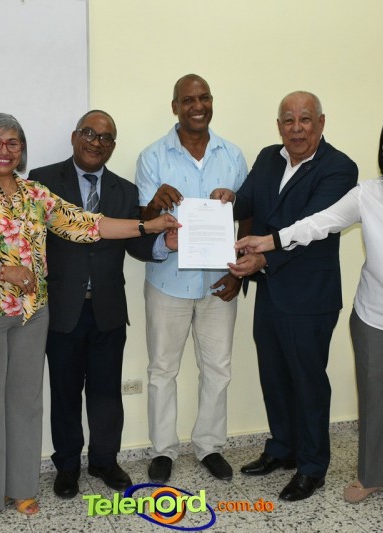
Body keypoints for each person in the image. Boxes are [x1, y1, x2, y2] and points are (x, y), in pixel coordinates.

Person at [0, 113, 177, 523]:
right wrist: (3, 271)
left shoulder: (35, 194)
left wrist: (147, 224)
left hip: (32, 314)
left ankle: (22, 488)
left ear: (22, 150)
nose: (4, 150)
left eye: (13, 143)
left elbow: (89, 225)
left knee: (27, 404)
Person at [236, 116, 383, 513]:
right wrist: (271, 241)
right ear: (382, 153)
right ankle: (371, 476)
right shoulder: (367, 194)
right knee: (375, 401)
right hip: (374, 316)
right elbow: (320, 222)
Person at [28, 110, 176, 498]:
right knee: (64, 392)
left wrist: (164, 244)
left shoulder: (124, 191)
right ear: (74, 136)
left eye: (106, 137)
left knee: (107, 391)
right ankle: (67, 466)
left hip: (108, 308)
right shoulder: (42, 181)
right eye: (89, 133)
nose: (96, 142)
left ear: (113, 146)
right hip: (62, 308)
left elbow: (137, 243)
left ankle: (105, 460)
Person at [228, 91, 358, 502]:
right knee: (274, 375)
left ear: (321, 123)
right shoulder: (269, 157)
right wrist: (226, 200)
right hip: (271, 291)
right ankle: (282, 448)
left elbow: (313, 227)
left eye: (305, 119)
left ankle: (313, 466)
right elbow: (248, 201)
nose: (296, 128)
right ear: (279, 125)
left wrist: (263, 259)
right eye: (288, 120)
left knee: (307, 381)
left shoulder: (339, 168)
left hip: (310, 296)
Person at [136, 74, 247, 483]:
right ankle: (163, 450)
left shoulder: (232, 155)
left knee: (218, 368)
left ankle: (209, 445)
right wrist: (154, 204)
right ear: (175, 107)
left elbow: (247, 216)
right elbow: (142, 223)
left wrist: (239, 274)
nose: (197, 106)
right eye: (188, 100)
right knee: (162, 369)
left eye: (204, 98)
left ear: (211, 102)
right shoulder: (152, 157)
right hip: (168, 282)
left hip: (220, 283)